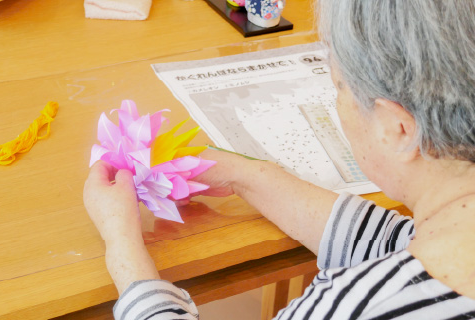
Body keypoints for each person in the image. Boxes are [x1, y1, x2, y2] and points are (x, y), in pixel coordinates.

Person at [83, 0, 475, 319]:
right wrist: (244, 175)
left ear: (398, 128)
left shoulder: (349, 308)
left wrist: (121, 244)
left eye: (338, 87)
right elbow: (395, 243)